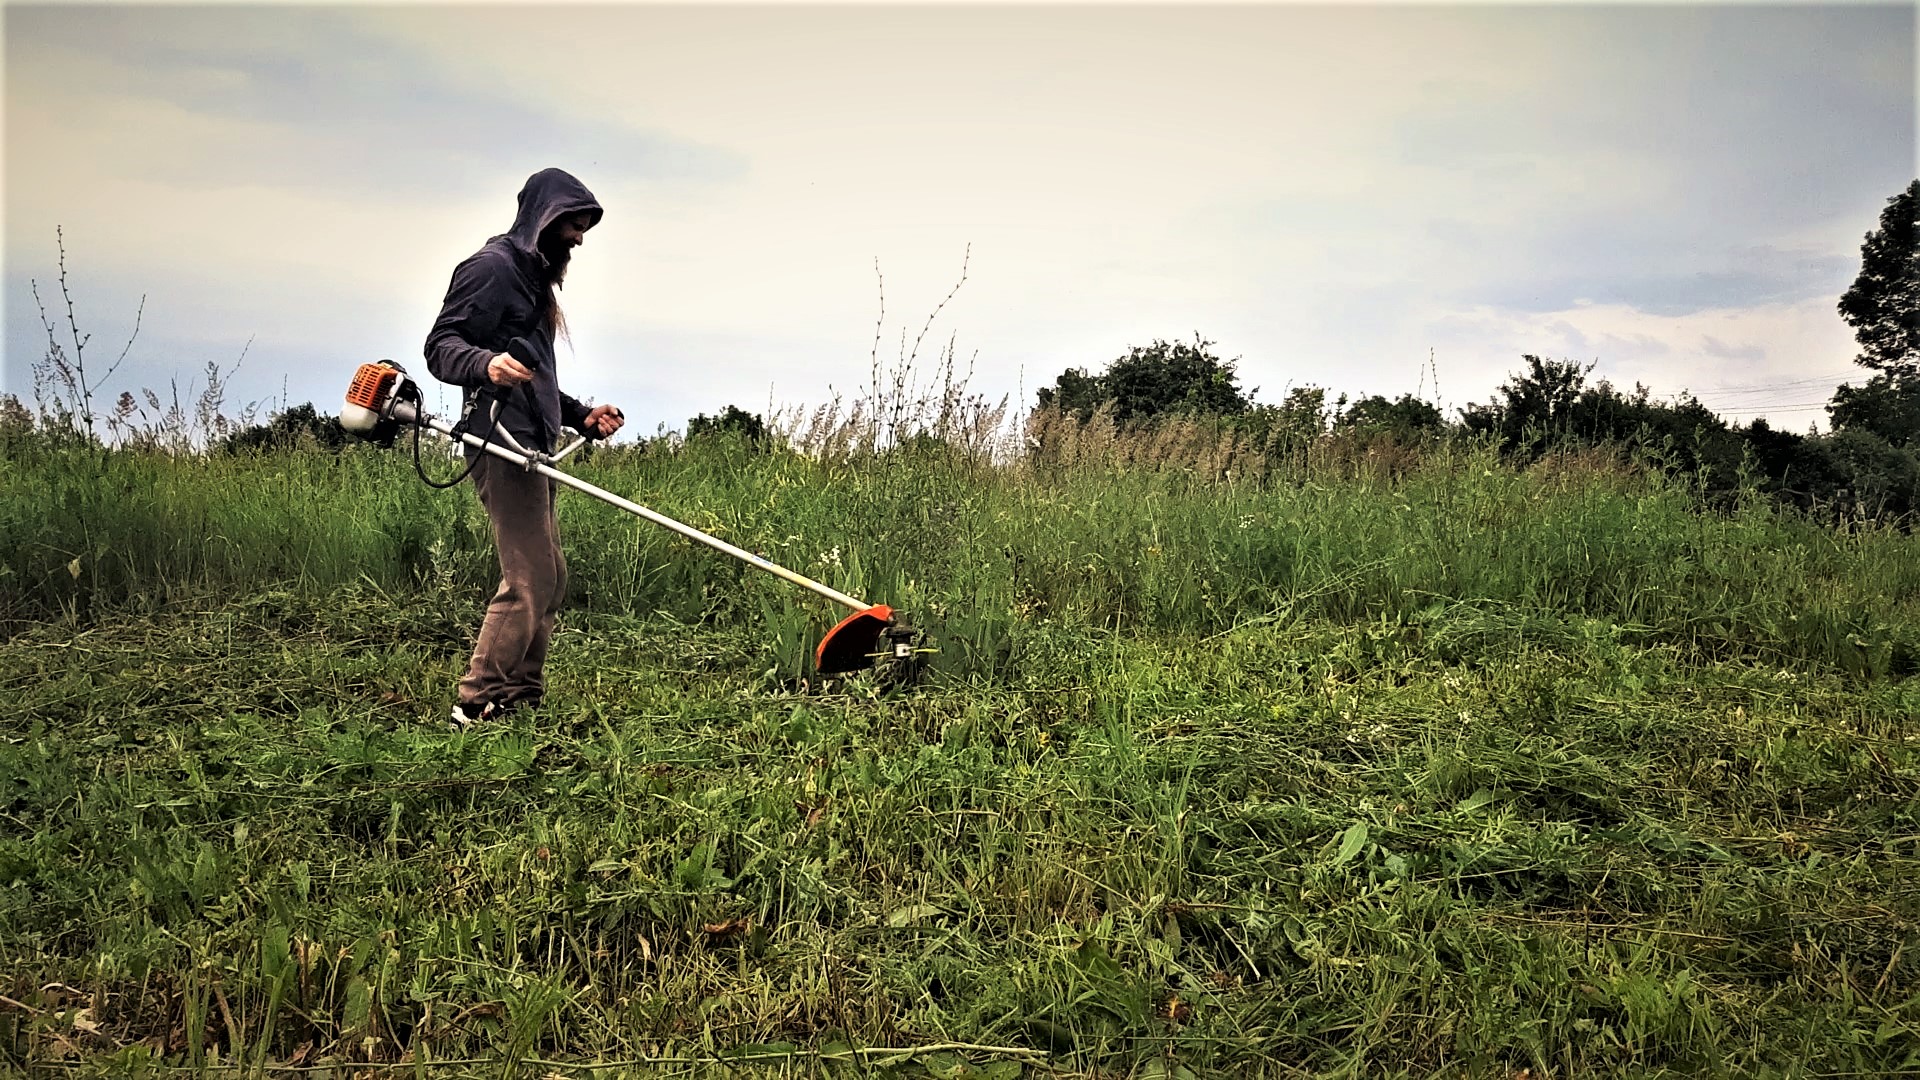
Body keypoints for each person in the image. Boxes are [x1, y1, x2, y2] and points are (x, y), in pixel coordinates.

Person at [425, 167, 625, 728]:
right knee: (529, 576)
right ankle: (476, 701)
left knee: (550, 573)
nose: (579, 239)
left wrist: (580, 415)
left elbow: (533, 379)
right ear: (544, 217)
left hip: (533, 440)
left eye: (584, 228)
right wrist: (485, 364)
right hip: (499, 439)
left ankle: (520, 692)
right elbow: (440, 346)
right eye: (573, 225)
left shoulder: (534, 278)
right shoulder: (491, 268)